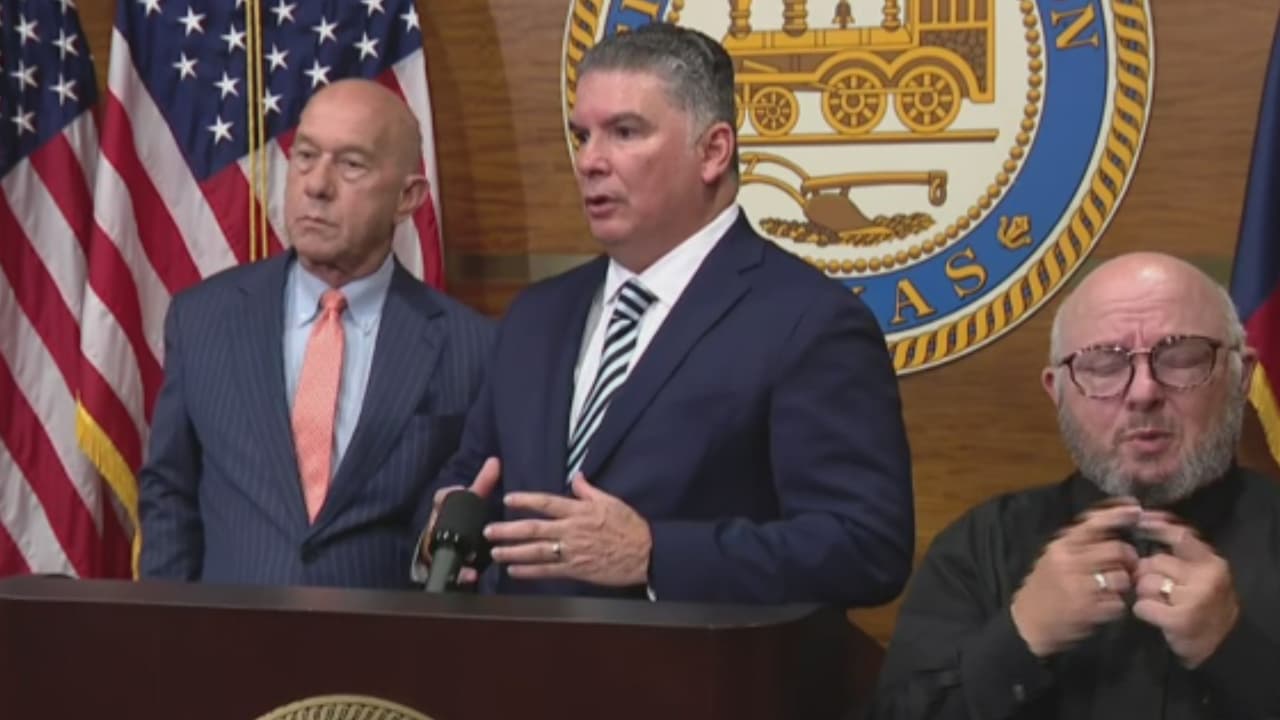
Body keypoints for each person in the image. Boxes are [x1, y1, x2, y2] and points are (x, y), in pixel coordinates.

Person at [416, 23, 914, 605]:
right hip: (517, 659)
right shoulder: (536, 316)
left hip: (692, 662)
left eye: (625, 132)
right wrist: (440, 532)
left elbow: (866, 546)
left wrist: (654, 555)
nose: (590, 161)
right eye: (582, 136)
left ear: (713, 151)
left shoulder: (809, 322)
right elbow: (469, 478)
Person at [870, 252, 1280, 718]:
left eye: (1181, 358)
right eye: (1104, 365)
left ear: (1242, 376)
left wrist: (1236, 654)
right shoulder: (981, 548)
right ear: (1057, 391)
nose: (1143, 392)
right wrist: (1020, 638)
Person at [139, 79, 493, 588]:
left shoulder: (471, 347)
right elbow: (169, 494)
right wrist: (167, 626)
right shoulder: (203, 319)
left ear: (407, 198)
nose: (317, 185)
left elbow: (457, 517)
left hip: (382, 635)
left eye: (351, 165)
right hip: (223, 634)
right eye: (305, 156)